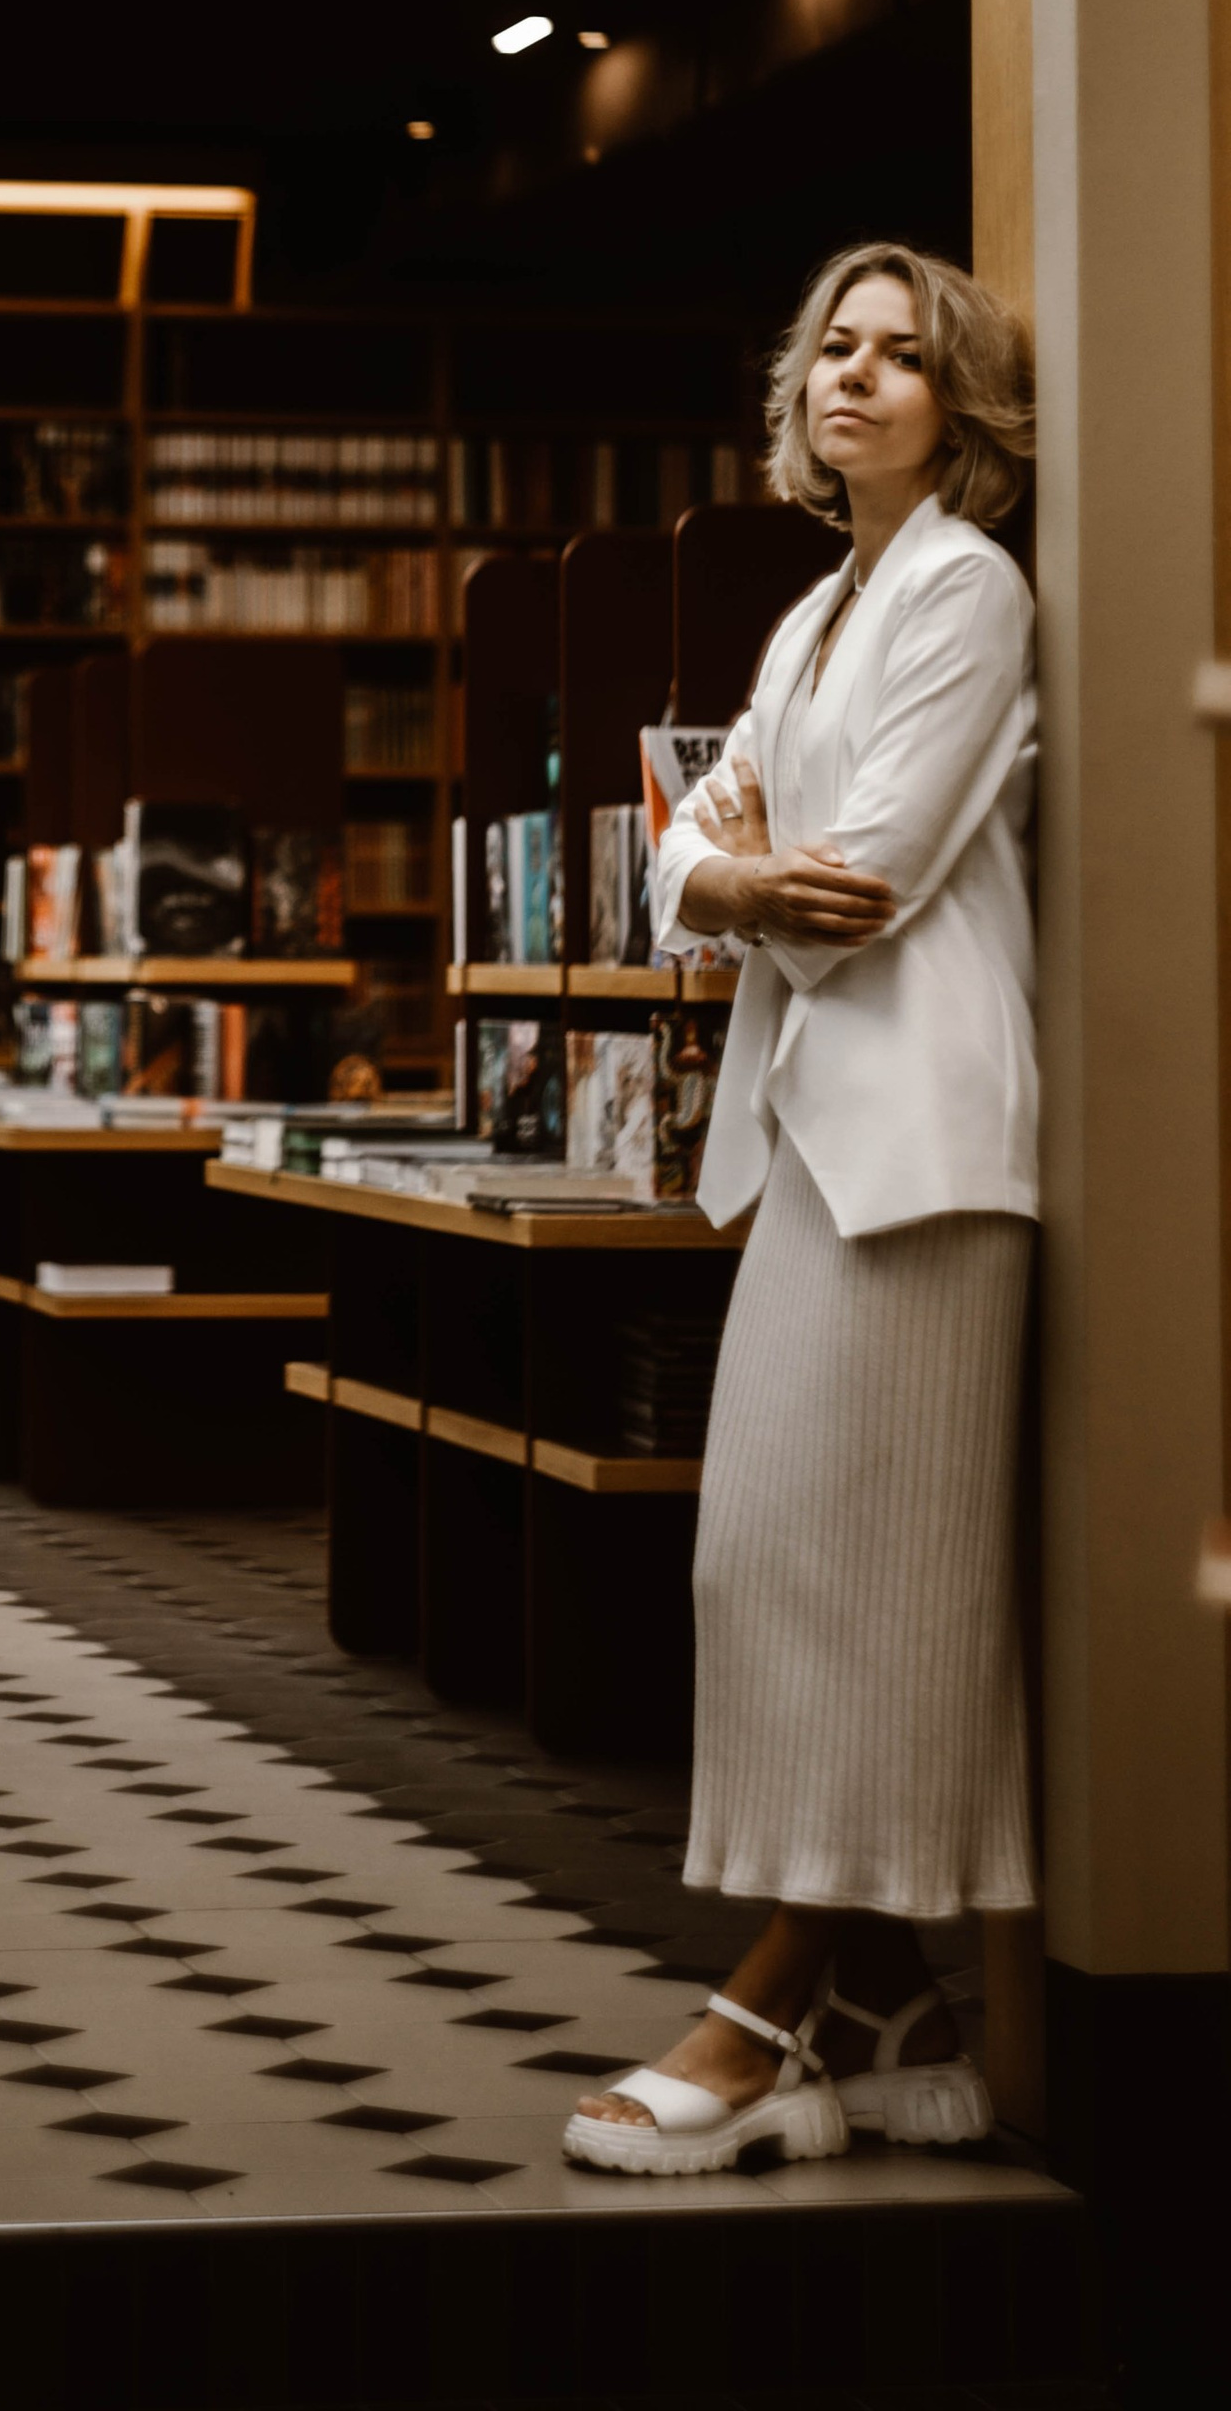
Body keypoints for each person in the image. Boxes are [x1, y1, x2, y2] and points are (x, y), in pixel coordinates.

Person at [564, 241, 1038, 2179]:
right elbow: (683, 829)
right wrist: (727, 872)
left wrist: (738, 880)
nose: (851, 378)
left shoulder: (965, 592)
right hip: (803, 1145)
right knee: (757, 1570)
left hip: (923, 1156)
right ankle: (902, 2014)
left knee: (886, 1599)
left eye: (896, 357)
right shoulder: (809, 614)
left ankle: (759, 2016)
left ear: (959, 407)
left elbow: (863, 883)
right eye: (829, 350)